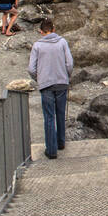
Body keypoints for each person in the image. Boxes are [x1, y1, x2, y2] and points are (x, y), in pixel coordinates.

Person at [28, 18, 73, 159]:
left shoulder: (37, 46)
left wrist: (39, 78)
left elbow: (31, 68)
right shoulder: (63, 42)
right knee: (60, 113)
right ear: (53, 29)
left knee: (49, 117)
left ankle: (51, 150)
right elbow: (70, 63)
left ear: (41, 32)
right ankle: (61, 143)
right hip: (61, 82)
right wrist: (66, 76)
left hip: (46, 84)